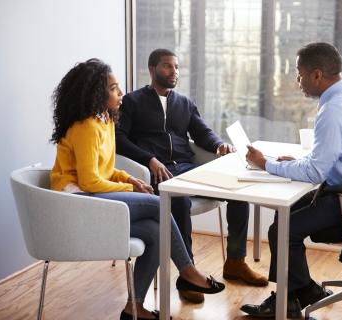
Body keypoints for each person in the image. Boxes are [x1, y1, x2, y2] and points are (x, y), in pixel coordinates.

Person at [49, 59, 224, 320]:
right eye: (113, 88)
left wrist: (131, 180)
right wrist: (128, 187)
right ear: (96, 93)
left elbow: (105, 170)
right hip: (77, 202)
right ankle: (187, 271)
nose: (120, 93)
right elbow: (88, 181)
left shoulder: (105, 121)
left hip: (95, 198)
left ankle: (134, 307)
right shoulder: (85, 126)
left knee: (156, 232)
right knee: (159, 203)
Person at [241, 43, 342, 318]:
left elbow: (315, 173)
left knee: (283, 231)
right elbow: (326, 157)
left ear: (317, 75)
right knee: (285, 220)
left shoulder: (333, 110)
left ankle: (286, 302)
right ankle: (305, 290)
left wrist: (266, 164)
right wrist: (294, 163)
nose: (297, 81)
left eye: (299, 75)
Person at [115, 49, 268, 303]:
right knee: (180, 200)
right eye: (167, 66)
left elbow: (202, 132)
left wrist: (220, 145)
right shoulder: (133, 101)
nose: (174, 71)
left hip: (186, 168)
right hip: (157, 173)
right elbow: (119, 139)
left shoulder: (183, 102)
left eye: (176, 67)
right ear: (152, 70)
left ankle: (235, 261)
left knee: (238, 191)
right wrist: (148, 159)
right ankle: (189, 274)